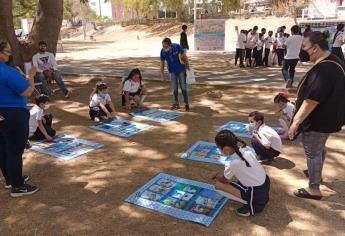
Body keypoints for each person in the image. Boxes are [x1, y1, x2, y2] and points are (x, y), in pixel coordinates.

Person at [288, 31, 345, 200]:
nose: (302, 51)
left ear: (314, 48)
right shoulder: (335, 61)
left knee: (312, 152)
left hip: (318, 120)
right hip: (329, 118)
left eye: (304, 47)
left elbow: (311, 101)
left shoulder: (325, 69)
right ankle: (317, 175)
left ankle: (314, 188)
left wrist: (295, 123)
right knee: (319, 148)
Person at [0, 39, 39, 197]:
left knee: (3, 148)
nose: (10, 55)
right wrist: (31, 76)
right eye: (8, 52)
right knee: (15, 151)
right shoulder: (7, 71)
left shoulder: (9, 71)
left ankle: (11, 179)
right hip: (13, 114)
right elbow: (27, 92)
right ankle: (18, 186)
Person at [213, 130, 270, 217]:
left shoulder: (233, 164)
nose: (219, 150)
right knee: (238, 182)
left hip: (255, 192)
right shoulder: (247, 149)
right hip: (266, 183)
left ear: (226, 149)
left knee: (218, 186)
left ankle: (252, 207)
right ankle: (257, 199)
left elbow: (224, 181)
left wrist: (216, 177)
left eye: (219, 148)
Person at [160, 38, 190, 111]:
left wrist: (188, 67)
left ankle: (186, 104)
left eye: (166, 46)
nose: (164, 48)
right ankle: (176, 103)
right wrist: (162, 75)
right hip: (172, 72)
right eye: (163, 46)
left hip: (181, 70)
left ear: (170, 45)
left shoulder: (176, 46)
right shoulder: (162, 51)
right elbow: (162, 64)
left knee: (183, 88)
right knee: (174, 89)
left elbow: (184, 57)